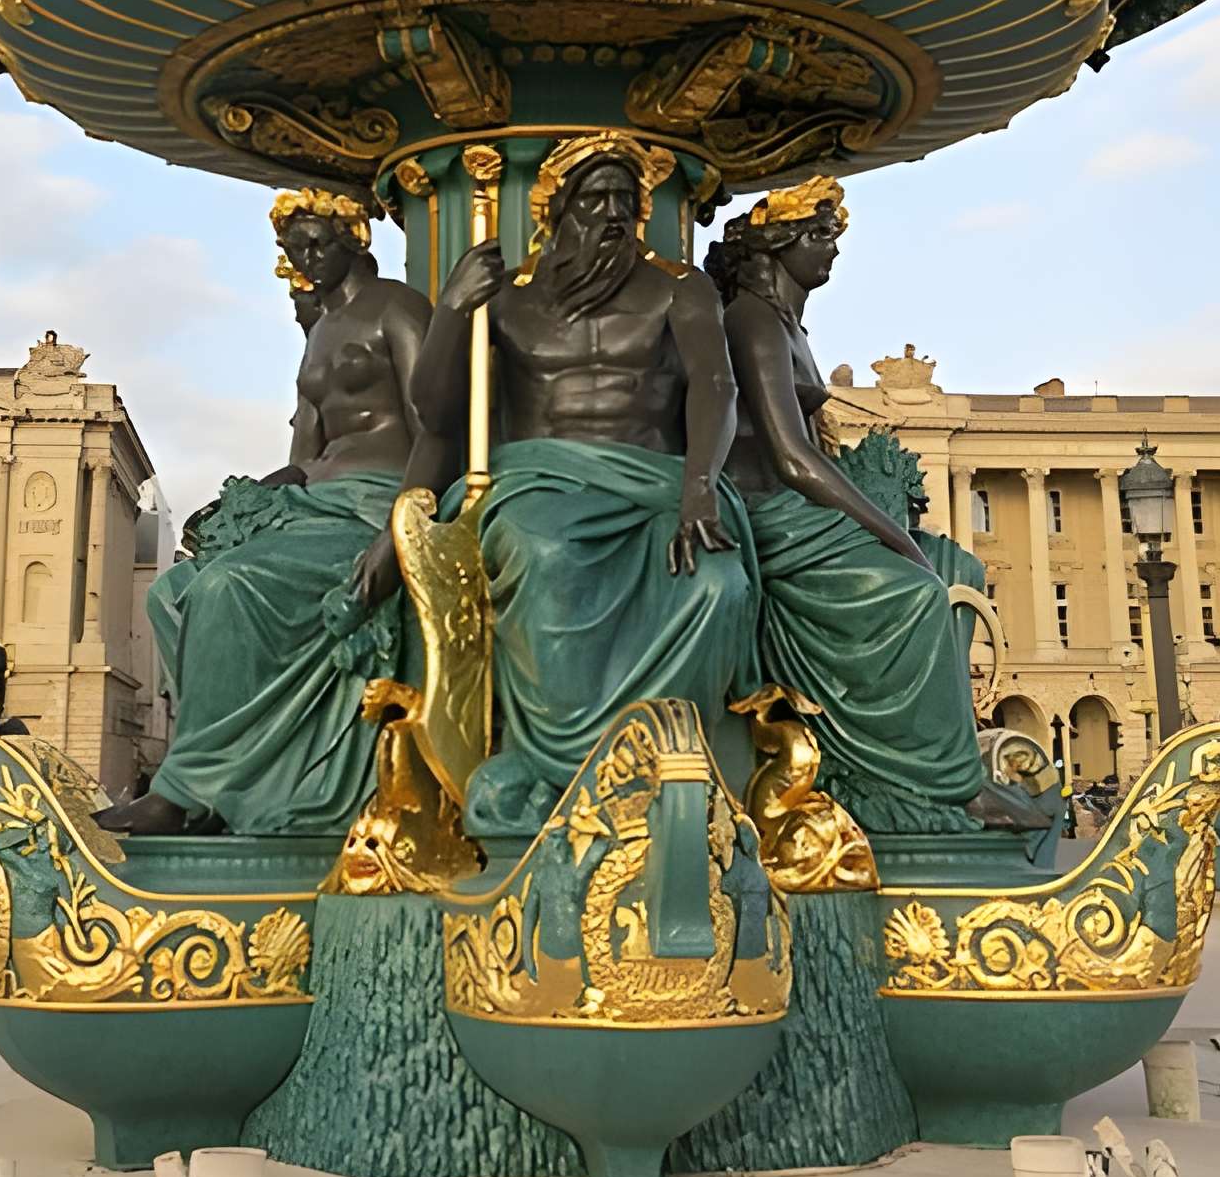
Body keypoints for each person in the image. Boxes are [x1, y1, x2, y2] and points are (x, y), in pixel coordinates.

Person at [365, 131, 755, 836]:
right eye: (594, 198)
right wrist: (454, 309)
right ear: (558, 210)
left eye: (625, 201)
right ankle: (564, 771)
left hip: (657, 479)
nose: (611, 214)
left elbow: (716, 387)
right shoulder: (506, 302)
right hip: (542, 480)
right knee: (543, 555)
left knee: (718, 585)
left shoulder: (680, 289)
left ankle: (675, 770)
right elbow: (436, 412)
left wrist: (701, 485)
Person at [705, 179, 1042, 833]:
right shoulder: (751, 320)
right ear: (777, 246)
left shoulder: (786, 323)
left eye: (832, 236)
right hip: (769, 514)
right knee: (916, 591)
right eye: (816, 236)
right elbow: (792, 456)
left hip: (801, 508)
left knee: (958, 570)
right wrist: (891, 533)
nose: (830, 250)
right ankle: (949, 788)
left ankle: (938, 745)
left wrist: (901, 537)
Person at [98, 190, 429, 837]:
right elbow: (304, 455)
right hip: (314, 503)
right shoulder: (322, 333)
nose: (306, 259)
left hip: (376, 501)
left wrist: (403, 524)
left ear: (354, 239)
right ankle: (234, 780)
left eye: (317, 244)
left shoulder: (398, 307)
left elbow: (438, 427)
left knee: (226, 587)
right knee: (174, 591)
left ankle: (184, 790)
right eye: (293, 249)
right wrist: (239, 500)